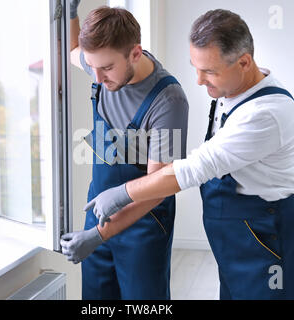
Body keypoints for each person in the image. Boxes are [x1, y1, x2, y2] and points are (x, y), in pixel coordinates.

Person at [83, 9, 294, 300]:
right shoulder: (233, 90)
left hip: (267, 240)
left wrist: (121, 194)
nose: (200, 80)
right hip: (235, 243)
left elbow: (193, 169)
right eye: (196, 67)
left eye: (209, 71)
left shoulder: (264, 114)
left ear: (244, 62)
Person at [60, 1, 189, 300]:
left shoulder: (168, 101)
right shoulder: (101, 66)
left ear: (135, 53)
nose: (97, 79)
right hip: (97, 212)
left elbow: (158, 188)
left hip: (143, 224)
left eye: (106, 68)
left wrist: (97, 236)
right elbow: (72, 53)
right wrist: (70, 14)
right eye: (91, 67)